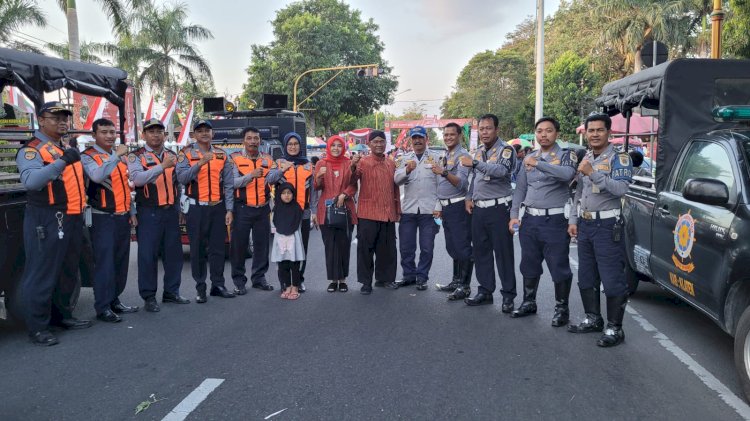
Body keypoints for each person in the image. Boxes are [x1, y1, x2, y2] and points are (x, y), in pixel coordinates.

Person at [16, 102, 90, 346]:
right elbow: (32, 181)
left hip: (71, 216)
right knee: (42, 273)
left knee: (68, 269)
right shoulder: (32, 150)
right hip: (46, 218)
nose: (62, 121)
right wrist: (63, 162)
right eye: (55, 117)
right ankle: (38, 327)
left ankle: (63, 316)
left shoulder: (63, 148)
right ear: (41, 120)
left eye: (65, 117)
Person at [567, 114, 633, 347]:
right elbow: (577, 192)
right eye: (590, 130)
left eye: (599, 130)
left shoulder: (620, 158)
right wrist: (573, 219)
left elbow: (620, 189)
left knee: (612, 278)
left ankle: (615, 328)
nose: (594, 134)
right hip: (585, 224)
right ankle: (593, 318)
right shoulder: (585, 156)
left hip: (607, 225)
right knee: (586, 275)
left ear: (609, 133)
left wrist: (592, 173)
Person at [509, 117, 577, 325]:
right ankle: (529, 302)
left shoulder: (566, 156)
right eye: (539, 131)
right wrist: (513, 216)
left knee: (559, 266)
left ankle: (561, 308)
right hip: (530, 219)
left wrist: (539, 164)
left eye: (548, 131)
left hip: (555, 219)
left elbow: (567, 175)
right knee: (528, 263)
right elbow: (520, 188)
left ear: (557, 133)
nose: (543, 135)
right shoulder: (529, 157)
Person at [128, 118, 190, 313]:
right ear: (144, 135)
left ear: (165, 134)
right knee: (148, 256)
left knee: (174, 254)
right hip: (149, 212)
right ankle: (149, 296)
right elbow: (137, 179)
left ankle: (172, 291)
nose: (156, 135)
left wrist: (180, 210)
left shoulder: (173, 155)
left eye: (159, 131)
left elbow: (178, 184)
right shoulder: (135, 156)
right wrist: (162, 166)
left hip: (170, 211)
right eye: (151, 131)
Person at [81, 118, 139, 323]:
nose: (109, 136)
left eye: (112, 132)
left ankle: (115, 299)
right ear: (94, 135)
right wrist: (115, 156)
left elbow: (126, 186)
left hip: (122, 216)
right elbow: (97, 177)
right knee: (104, 263)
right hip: (102, 217)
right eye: (104, 132)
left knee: (120, 262)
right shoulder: (88, 156)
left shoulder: (119, 158)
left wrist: (132, 212)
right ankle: (102, 306)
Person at [461, 113, 517, 312]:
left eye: (488, 128)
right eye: (482, 129)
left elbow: (502, 171)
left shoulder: (506, 150)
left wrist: (475, 163)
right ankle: (485, 291)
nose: (485, 132)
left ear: (497, 130)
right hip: (479, 209)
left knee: (503, 254)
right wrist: (468, 197)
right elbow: (473, 179)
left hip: (499, 209)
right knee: (481, 252)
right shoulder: (476, 152)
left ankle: (508, 295)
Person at [175, 119, 236, 303]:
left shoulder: (222, 154)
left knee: (218, 249)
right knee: (197, 249)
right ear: (194, 135)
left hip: (217, 207)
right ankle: (200, 288)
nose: (204, 133)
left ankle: (218, 284)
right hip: (196, 208)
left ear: (212, 134)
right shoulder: (185, 153)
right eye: (199, 130)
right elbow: (182, 177)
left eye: (207, 130)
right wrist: (200, 163)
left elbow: (229, 184)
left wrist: (229, 209)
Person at [230, 126, 282, 293]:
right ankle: (239, 281)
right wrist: (250, 175)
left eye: (256, 138)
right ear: (243, 141)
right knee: (239, 247)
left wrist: (281, 170)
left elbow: (272, 179)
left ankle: (259, 278)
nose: (253, 141)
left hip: (263, 208)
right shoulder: (234, 159)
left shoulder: (267, 158)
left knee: (262, 246)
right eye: (249, 138)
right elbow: (230, 183)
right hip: (242, 208)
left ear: (260, 141)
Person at [351, 130, 401, 295]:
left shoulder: (391, 163)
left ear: (386, 144)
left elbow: (395, 189)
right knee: (366, 250)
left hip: (387, 213)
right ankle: (366, 282)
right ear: (369, 144)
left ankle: (384, 279)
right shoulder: (362, 162)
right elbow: (352, 180)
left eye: (382, 141)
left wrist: (397, 211)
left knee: (387, 249)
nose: (379, 144)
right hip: (368, 213)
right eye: (375, 141)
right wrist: (352, 165)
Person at [394, 126, 441, 291]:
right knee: (407, 246)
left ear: (426, 138)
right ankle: (408, 275)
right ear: (410, 140)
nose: (417, 141)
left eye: (420, 137)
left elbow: (441, 185)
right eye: (414, 138)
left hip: (430, 210)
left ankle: (422, 277)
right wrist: (407, 169)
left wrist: (438, 207)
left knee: (427, 247)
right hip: (409, 210)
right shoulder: (403, 158)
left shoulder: (436, 158)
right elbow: (396, 180)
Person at [431, 122, 473, 300]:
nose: (448, 137)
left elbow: (461, 183)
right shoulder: (445, 154)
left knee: (463, 248)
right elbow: (441, 185)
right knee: (452, 246)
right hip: (446, 206)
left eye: (452, 135)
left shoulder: (463, 156)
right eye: (446, 134)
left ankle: (465, 286)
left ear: (460, 136)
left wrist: (443, 172)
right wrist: (439, 205)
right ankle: (456, 281)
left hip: (458, 206)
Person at [314, 135, 358, 293]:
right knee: (330, 246)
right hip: (326, 211)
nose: (336, 148)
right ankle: (333, 280)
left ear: (343, 147)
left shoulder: (349, 163)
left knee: (343, 245)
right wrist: (318, 177)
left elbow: (354, 185)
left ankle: (343, 280)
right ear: (329, 147)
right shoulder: (321, 163)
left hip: (345, 209)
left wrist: (344, 195)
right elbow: (317, 187)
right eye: (333, 145)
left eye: (339, 145)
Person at [277, 132, 318, 292]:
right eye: (290, 144)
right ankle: (285, 281)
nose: (293, 147)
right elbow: (270, 180)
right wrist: (282, 170)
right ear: (285, 146)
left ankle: (299, 279)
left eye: (295, 144)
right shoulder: (279, 163)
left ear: (300, 146)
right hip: (284, 214)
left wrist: (314, 211)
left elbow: (313, 192)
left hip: (304, 213)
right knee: (284, 248)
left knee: (302, 248)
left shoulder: (308, 166)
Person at [271, 183, 306, 300]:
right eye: (283, 193)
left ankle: (295, 287)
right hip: (280, 238)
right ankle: (287, 286)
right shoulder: (277, 208)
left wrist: (289, 231)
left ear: (293, 194)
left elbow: (296, 223)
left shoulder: (297, 208)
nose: (286, 196)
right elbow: (275, 222)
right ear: (280, 195)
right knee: (283, 263)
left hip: (293, 238)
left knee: (294, 263)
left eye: (289, 193)